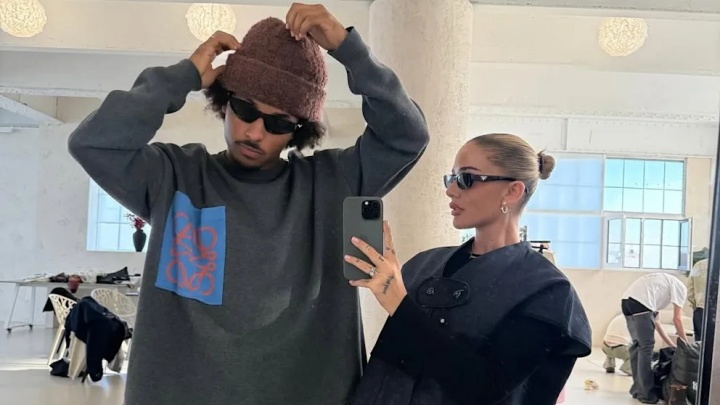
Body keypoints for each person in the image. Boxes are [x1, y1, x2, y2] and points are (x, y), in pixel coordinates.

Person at [67, 4, 429, 405]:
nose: (255, 132)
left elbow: (406, 136)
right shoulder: (174, 177)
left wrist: (349, 49)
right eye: (244, 109)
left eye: (279, 123)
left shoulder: (332, 184)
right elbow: (92, 143)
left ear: (298, 131)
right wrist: (182, 77)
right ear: (224, 101)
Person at [344, 134, 592, 405]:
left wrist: (398, 304)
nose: (451, 190)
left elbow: (485, 388)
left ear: (512, 191)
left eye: (466, 179)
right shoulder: (422, 264)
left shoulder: (547, 291)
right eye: (451, 179)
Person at [621, 272, 688, 404]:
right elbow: (677, 319)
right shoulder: (680, 288)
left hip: (626, 302)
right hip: (641, 303)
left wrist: (672, 344)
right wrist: (686, 345)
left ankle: (637, 390)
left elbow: (657, 323)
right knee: (646, 348)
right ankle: (646, 395)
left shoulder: (660, 290)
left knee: (637, 346)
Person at [687, 258, 708, 340]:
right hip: (716, 310)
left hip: (700, 308)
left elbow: (690, 290)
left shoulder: (699, 265)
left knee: (700, 340)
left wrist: (695, 304)